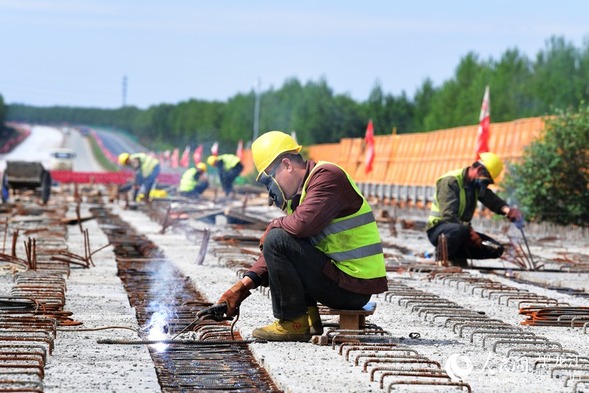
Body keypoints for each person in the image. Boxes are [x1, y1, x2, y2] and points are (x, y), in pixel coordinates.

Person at [214, 131, 387, 342]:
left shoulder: (327, 177)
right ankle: (307, 319)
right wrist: (242, 287)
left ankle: (292, 321)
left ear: (287, 165)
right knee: (279, 239)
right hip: (345, 282)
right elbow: (288, 248)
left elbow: (298, 229)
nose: (271, 189)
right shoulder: (302, 193)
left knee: (277, 238)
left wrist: (273, 225)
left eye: (270, 179)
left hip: (353, 286)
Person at [426, 152, 524, 267]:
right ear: (480, 170)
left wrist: (508, 211)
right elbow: (449, 215)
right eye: (486, 180)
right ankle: (442, 257)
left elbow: (490, 199)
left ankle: (456, 256)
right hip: (439, 230)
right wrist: (470, 233)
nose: (485, 184)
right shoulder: (450, 181)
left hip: (461, 231)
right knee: (460, 230)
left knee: (496, 249)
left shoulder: (475, 185)